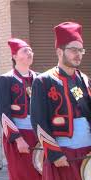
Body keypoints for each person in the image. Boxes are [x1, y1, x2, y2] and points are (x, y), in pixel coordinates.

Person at [31, 22, 91, 180]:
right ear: (59, 51)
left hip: (87, 156)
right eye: (73, 50)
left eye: (81, 50)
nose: (78, 54)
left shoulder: (85, 80)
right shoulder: (43, 81)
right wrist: (54, 153)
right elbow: (38, 121)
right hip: (63, 157)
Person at [0, 38, 41, 180]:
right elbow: (3, 113)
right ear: (15, 56)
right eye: (25, 50)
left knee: (41, 173)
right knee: (21, 174)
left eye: (31, 50)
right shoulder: (6, 79)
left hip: (39, 135)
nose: (30, 53)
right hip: (18, 136)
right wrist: (17, 138)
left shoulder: (40, 79)